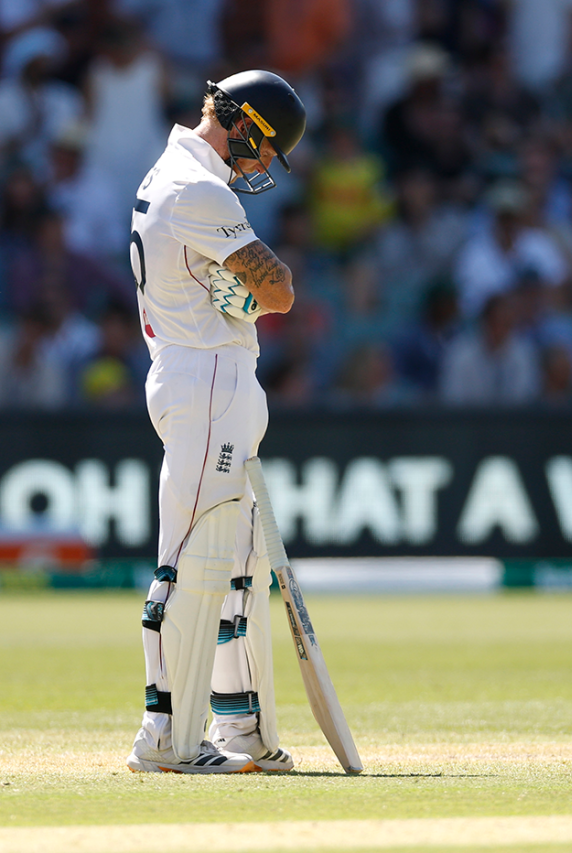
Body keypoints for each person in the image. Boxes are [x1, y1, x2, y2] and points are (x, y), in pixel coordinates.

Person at [125, 70, 307, 774]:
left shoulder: (174, 174)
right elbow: (278, 291)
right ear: (244, 123)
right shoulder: (197, 188)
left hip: (210, 373)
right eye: (266, 148)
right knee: (196, 556)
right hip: (204, 377)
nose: (263, 165)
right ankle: (166, 738)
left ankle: (241, 729)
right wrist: (255, 292)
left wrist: (239, 294)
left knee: (238, 561)